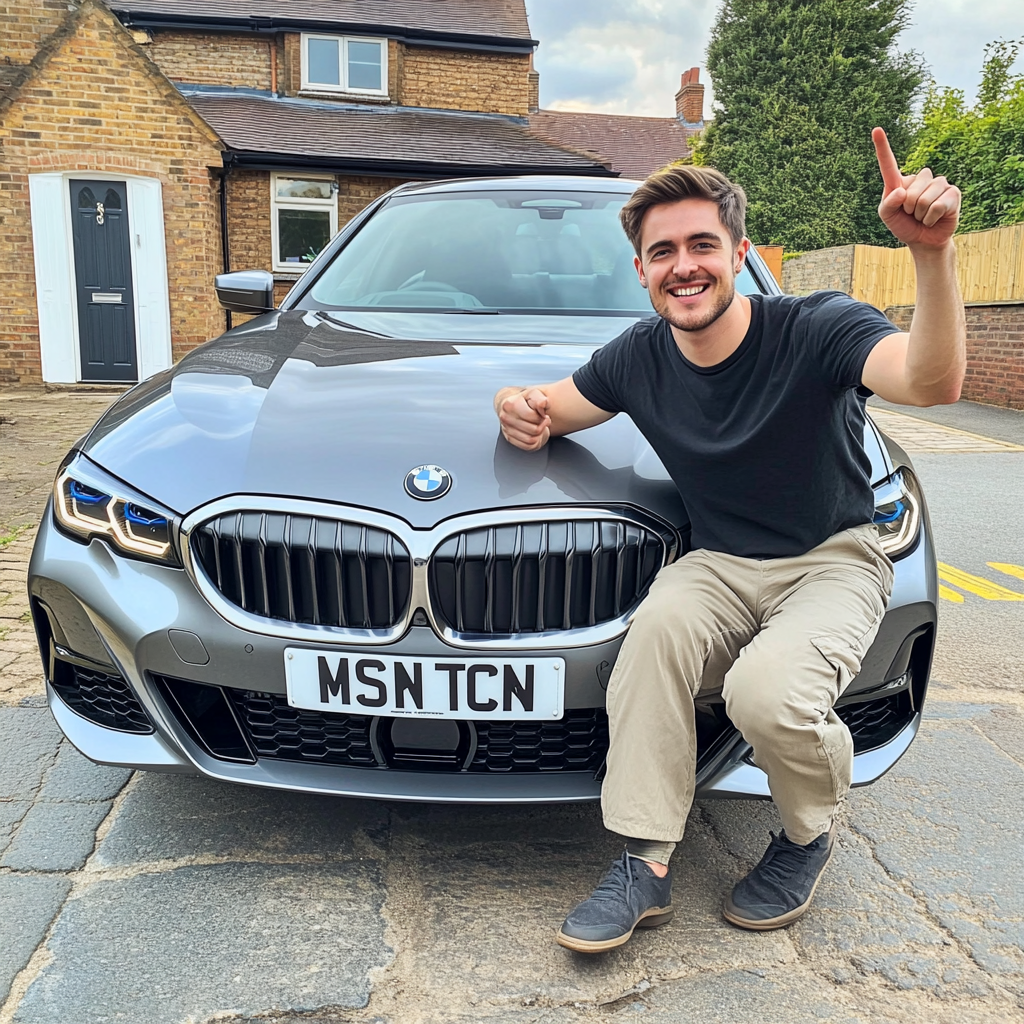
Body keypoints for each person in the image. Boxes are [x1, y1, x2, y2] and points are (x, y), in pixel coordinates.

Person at [493, 128, 965, 952]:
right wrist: (517, 406)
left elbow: (931, 381)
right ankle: (645, 861)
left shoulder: (817, 330)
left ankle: (808, 831)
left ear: (740, 253)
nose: (684, 266)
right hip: (718, 564)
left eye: (703, 245)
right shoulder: (638, 356)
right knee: (652, 645)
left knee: (766, 696)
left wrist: (931, 256)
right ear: (641, 270)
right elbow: (551, 407)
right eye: (663, 251)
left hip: (832, 558)